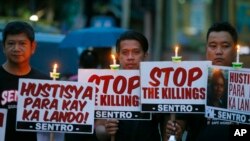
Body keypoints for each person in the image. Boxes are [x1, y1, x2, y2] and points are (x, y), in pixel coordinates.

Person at [96, 30, 161, 141]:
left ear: (145, 54)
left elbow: (166, 125)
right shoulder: (105, 84)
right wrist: (107, 130)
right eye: (125, 52)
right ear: (118, 55)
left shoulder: (157, 84)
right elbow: (99, 129)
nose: (130, 57)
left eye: (136, 52)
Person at [185, 21, 238, 141]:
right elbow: (181, 124)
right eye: (213, 46)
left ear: (235, 51)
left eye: (225, 46)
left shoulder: (246, 86)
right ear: (206, 50)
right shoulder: (190, 83)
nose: (218, 52)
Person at [0, 21, 50, 141]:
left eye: (22, 43)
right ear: (3, 47)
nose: (16, 49)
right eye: (11, 43)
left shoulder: (45, 82)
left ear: (33, 47)